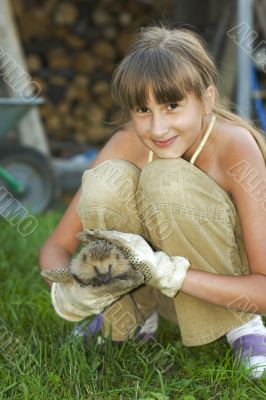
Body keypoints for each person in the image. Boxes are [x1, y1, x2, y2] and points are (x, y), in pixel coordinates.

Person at [39, 26, 266, 378]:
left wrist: (167, 271)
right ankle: (132, 313)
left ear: (207, 99)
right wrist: (71, 287)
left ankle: (242, 325)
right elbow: (56, 244)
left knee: (165, 177)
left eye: (172, 105)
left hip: (222, 289)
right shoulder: (127, 142)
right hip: (155, 291)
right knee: (105, 182)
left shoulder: (235, 146)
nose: (158, 129)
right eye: (143, 109)